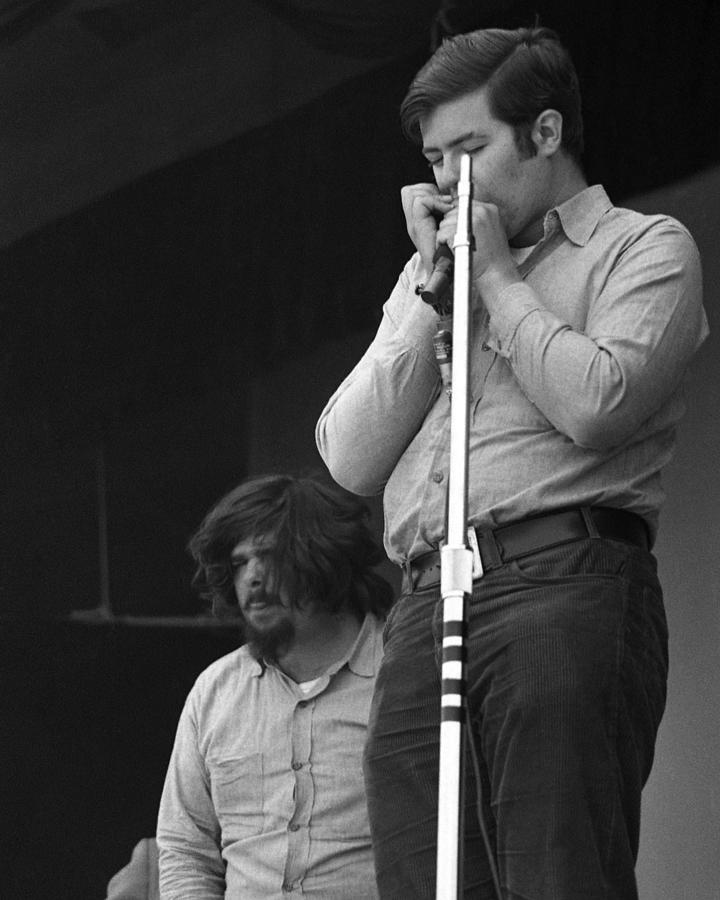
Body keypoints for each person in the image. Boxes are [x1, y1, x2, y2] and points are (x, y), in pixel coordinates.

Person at [316, 25, 708, 900]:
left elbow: (599, 404)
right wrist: (434, 290)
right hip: (425, 600)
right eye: (434, 159)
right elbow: (348, 457)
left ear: (544, 133)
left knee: (555, 872)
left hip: (562, 581)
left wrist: (499, 283)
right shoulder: (432, 274)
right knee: (425, 877)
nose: (451, 181)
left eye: (470, 150)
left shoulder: (643, 248)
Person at [156, 473, 393, 899]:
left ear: (323, 554)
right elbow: (185, 848)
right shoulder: (214, 692)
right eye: (239, 563)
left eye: (269, 556)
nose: (251, 578)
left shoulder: (405, 675)